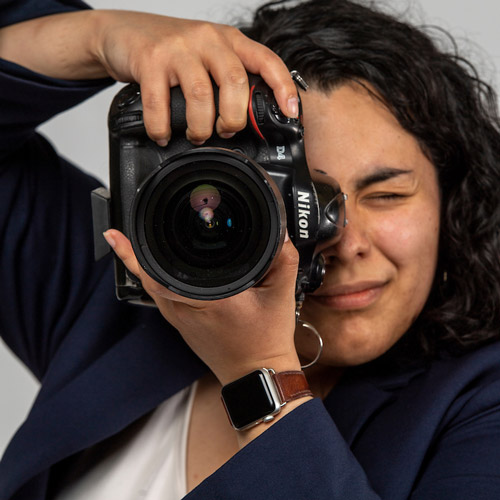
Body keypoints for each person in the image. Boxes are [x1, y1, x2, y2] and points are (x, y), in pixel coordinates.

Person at [1, 0, 500, 498]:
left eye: (387, 196)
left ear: (452, 200)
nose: (343, 239)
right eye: (296, 195)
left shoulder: (483, 403)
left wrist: (260, 373)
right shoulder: (125, 299)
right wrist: (95, 35)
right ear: (221, 185)